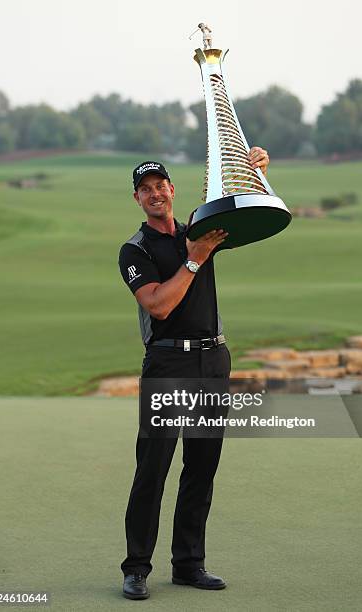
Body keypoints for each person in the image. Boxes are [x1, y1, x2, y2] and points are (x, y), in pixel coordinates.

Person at [118, 147, 270, 600]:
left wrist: (254, 170)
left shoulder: (197, 229)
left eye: (160, 185)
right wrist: (195, 258)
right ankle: (136, 568)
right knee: (154, 469)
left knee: (202, 467)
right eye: (145, 190)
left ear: (172, 189)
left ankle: (188, 563)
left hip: (212, 360)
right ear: (137, 199)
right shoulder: (135, 249)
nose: (155, 193)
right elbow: (159, 303)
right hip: (168, 362)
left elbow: (246, 212)